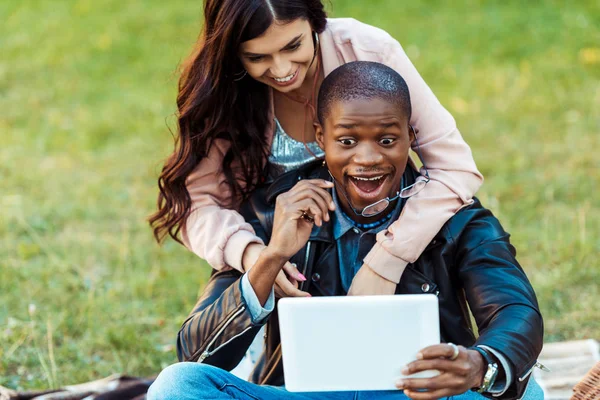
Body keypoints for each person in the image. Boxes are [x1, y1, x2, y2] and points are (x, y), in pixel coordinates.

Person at [148, 62, 544, 400]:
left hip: (422, 395)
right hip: (304, 395)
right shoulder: (278, 210)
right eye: (348, 140)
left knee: (526, 389)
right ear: (321, 138)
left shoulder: (455, 215)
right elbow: (196, 354)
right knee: (177, 385)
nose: (368, 158)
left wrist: (479, 365)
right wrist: (270, 258)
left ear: (412, 136)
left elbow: (514, 310)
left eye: (388, 140)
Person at [149, 0, 484, 298]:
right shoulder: (224, 88)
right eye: (257, 57)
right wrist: (255, 256)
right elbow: (197, 203)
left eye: (292, 45)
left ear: (314, 19)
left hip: (389, 245)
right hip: (287, 266)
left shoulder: (368, 49)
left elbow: (454, 167)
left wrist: (387, 261)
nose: (281, 69)